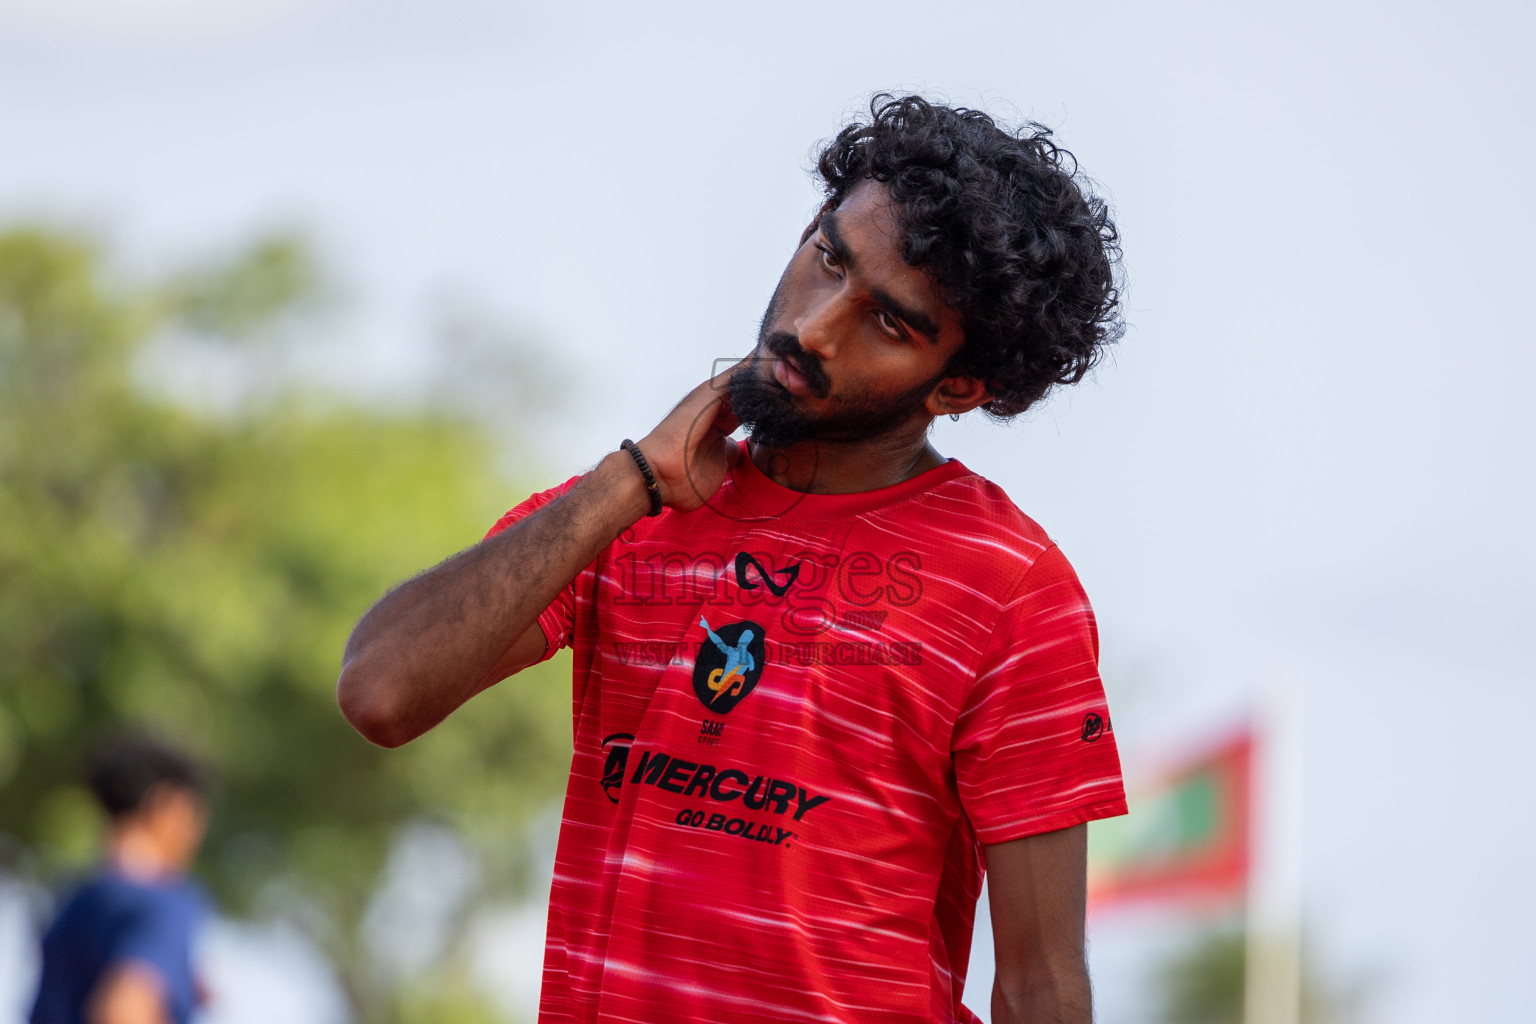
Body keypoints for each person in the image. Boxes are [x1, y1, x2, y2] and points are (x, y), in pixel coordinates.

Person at [338, 93, 1129, 1024]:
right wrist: (628, 481)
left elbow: (1041, 981)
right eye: (829, 259)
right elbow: (382, 691)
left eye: (888, 322)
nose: (817, 326)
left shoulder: (1009, 584)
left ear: (957, 386)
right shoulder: (634, 506)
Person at [30, 734, 210, 1024]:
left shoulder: (75, 898)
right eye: (193, 812)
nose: (196, 832)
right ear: (165, 803)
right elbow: (122, 1009)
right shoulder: (164, 901)